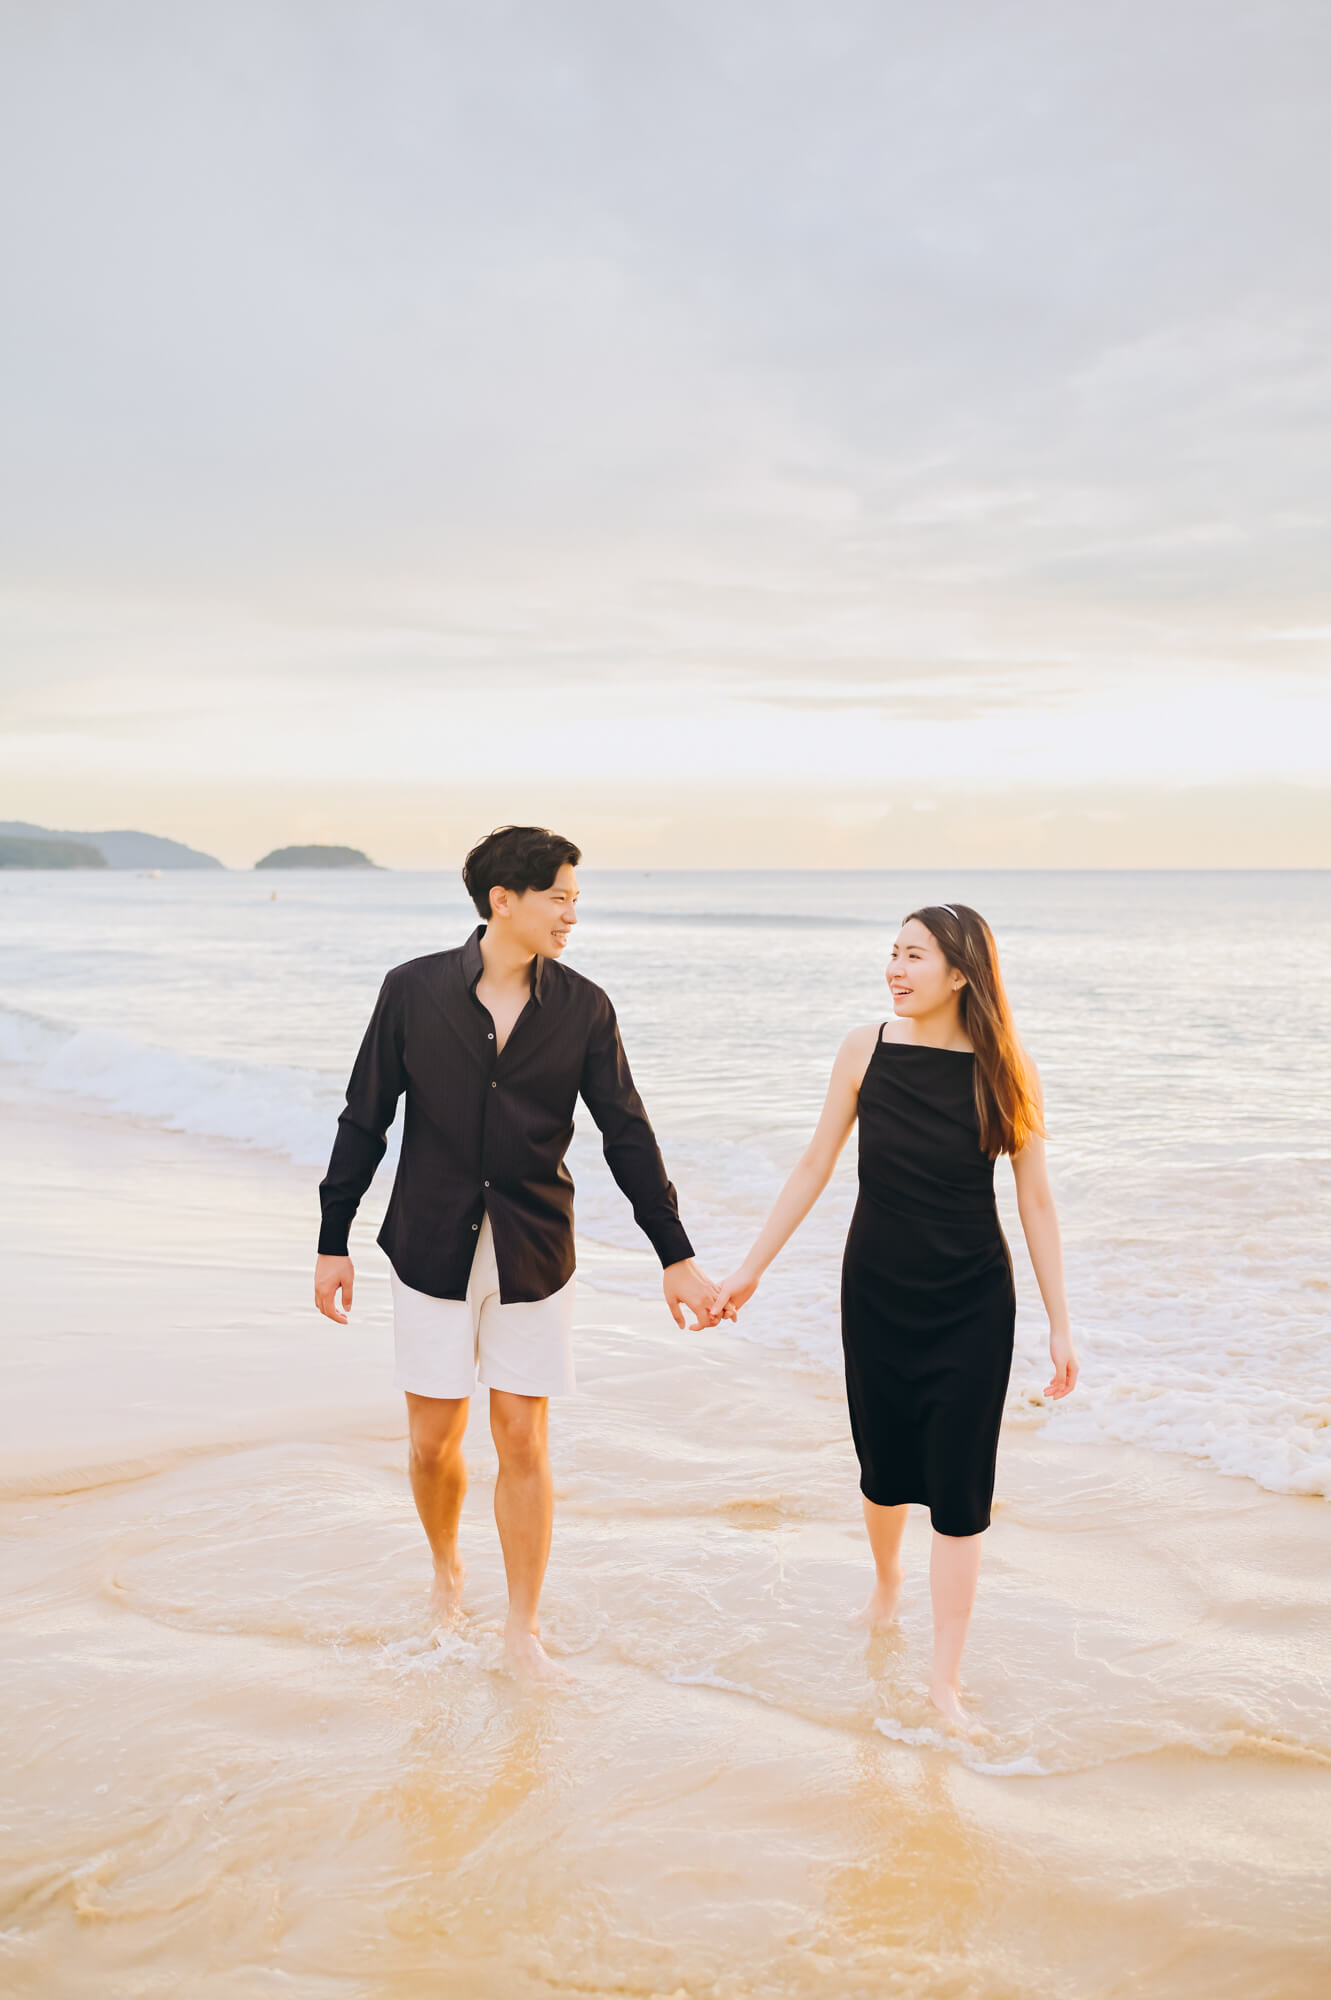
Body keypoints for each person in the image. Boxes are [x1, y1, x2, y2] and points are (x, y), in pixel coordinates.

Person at [314, 825, 724, 1680]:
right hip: (429, 1242)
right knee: (433, 1439)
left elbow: (626, 1134)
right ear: (503, 901)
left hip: (534, 1248)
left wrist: (674, 1254)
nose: (572, 915)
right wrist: (332, 1240)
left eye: (576, 899)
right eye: (559, 898)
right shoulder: (412, 991)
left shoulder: (584, 1007)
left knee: (522, 1437)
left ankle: (521, 1626)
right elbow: (365, 1117)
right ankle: (446, 1570)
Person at [714, 904, 1077, 1730]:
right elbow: (814, 1165)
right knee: (882, 1467)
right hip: (876, 1288)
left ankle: (944, 1678)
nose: (894, 969)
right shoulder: (863, 1049)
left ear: (961, 973)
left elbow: (1036, 1200)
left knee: (959, 1486)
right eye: (893, 953)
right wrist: (749, 1270)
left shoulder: (1005, 1067)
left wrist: (1060, 1322)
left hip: (972, 1299)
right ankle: (886, 1585)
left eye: (913, 955)